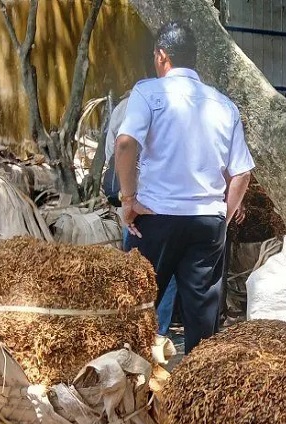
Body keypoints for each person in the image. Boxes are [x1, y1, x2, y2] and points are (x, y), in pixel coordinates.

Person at [115, 21, 254, 354]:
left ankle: (134, 387)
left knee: (135, 311)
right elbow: (242, 173)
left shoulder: (148, 92)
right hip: (206, 223)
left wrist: (128, 199)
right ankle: (196, 395)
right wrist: (224, 213)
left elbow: (124, 145)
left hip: (155, 218)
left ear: (162, 56)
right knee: (203, 325)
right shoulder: (224, 105)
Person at [105, 94, 177, 337]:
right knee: (165, 272)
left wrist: (127, 199)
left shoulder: (124, 108)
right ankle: (158, 333)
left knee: (136, 268)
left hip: (136, 203)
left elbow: (113, 153)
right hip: (168, 201)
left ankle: (135, 332)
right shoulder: (178, 106)